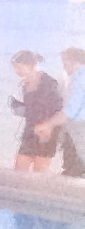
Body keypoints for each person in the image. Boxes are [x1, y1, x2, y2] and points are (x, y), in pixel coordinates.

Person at [9, 49, 64, 172]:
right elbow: (29, 109)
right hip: (30, 130)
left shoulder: (49, 83)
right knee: (19, 171)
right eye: (15, 68)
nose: (16, 71)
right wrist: (16, 105)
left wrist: (48, 126)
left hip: (46, 132)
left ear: (30, 65)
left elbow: (58, 108)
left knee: (38, 174)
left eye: (18, 67)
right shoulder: (24, 85)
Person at [36, 47, 85, 178]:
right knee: (73, 168)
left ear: (75, 61)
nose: (64, 67)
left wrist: (48, 125)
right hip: (74, 130)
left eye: (65, 63)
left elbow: (71, 110)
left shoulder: (81, 79)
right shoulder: (74, 79)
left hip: (79, 129)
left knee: (76, 169)